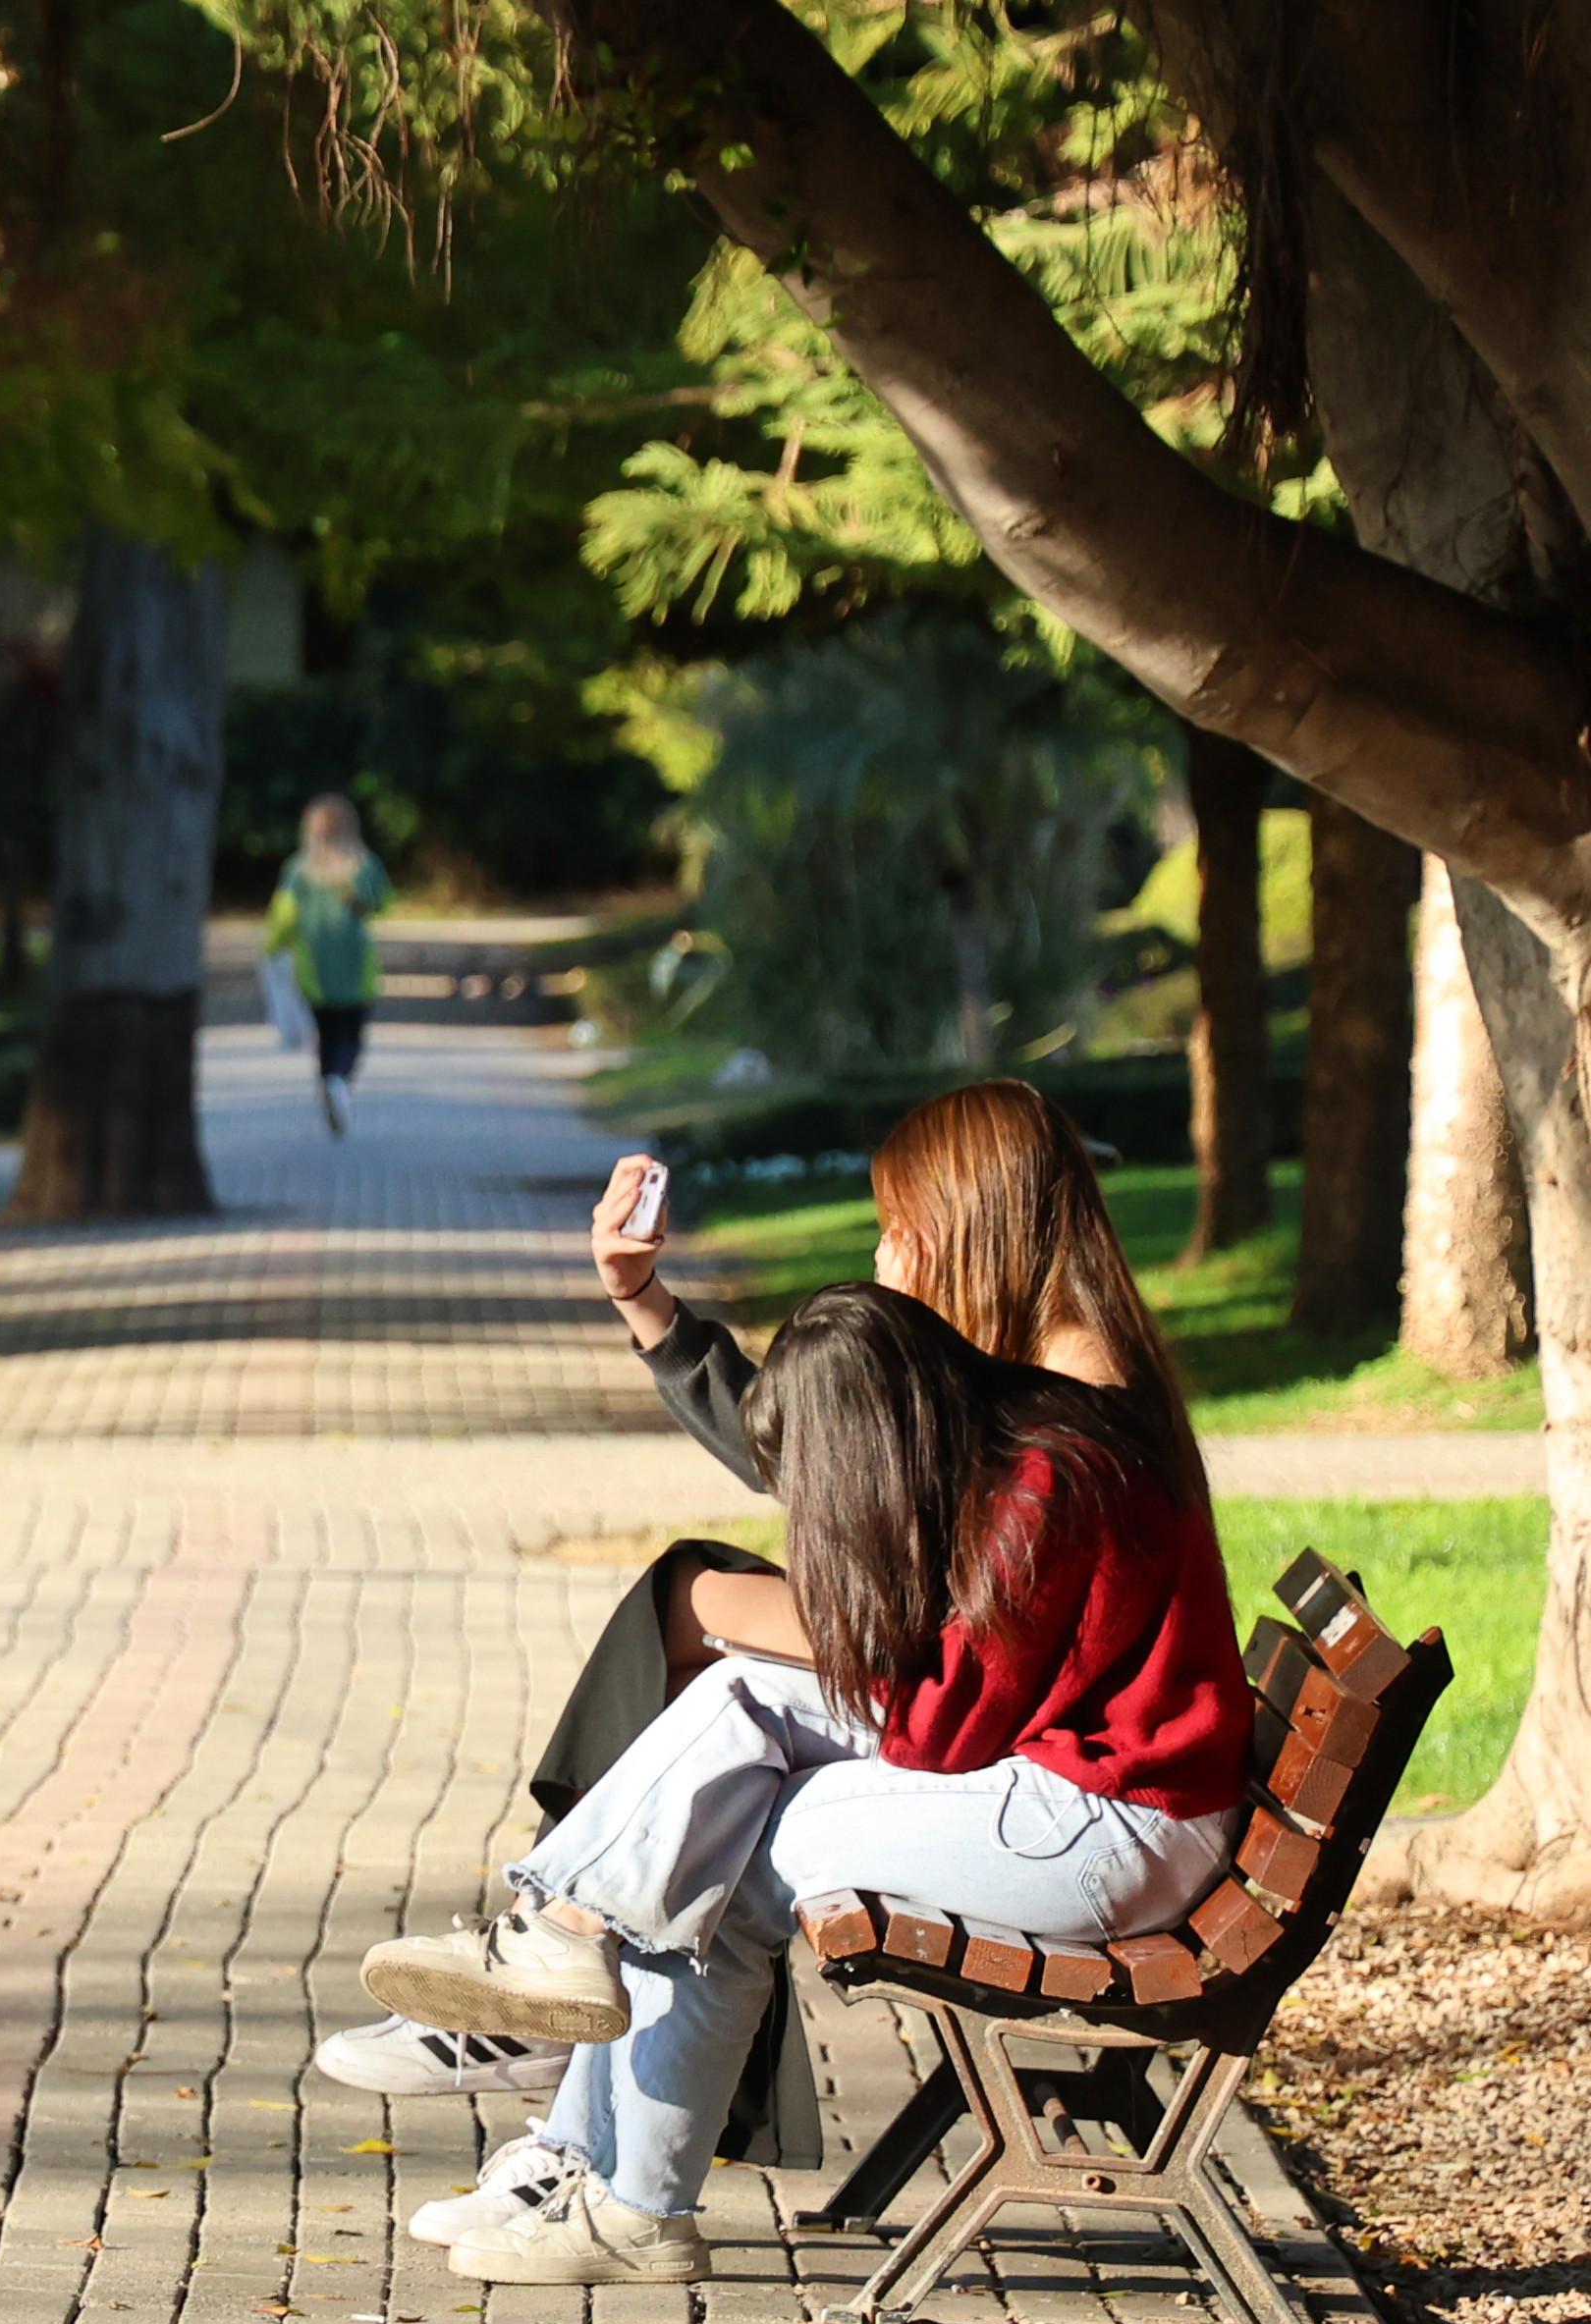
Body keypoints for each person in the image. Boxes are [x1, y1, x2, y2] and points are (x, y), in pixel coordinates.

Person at [314, 1081, 1200, 2214]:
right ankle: (562, 2013)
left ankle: (605, 2149)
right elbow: (848, 1477)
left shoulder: (1057, 1455)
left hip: (1094, 1825)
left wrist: (740, 1615)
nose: (885, 1260)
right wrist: (646, 1308)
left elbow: (941, 1720)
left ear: (966, 1233)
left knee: (713, 1816)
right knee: (707, 1705)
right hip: (1070, 1786)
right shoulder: (1047, 1398)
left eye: (897, 1232)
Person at [258, 792, 392, 1135]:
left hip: (312, 970)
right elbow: (384, 903)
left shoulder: (298, 870)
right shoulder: (365, 865)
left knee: (325, 1034)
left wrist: (270, 951)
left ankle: (329, 1083)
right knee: (352, 1035)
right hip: (356, 966)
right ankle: (341, 1081)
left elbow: (283, 918)